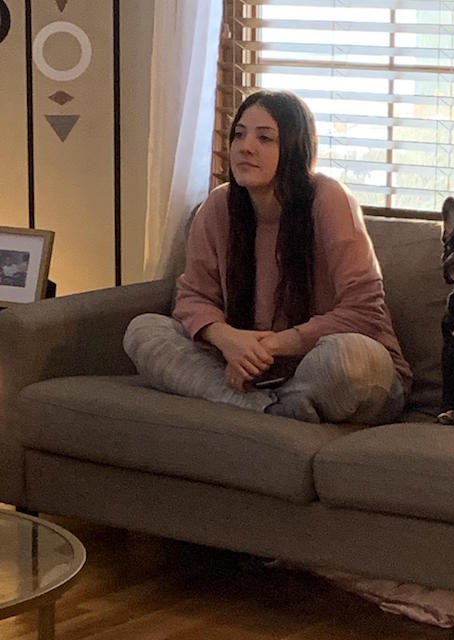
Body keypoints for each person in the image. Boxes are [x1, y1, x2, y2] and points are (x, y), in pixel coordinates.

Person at [123, 89, 412, 423]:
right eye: (239, 135)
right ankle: (274, 409)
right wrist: (227, 339)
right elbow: (191, 298)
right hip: (254, 372)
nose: (246, 147)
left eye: (265, 138)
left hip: (328, 369)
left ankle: (253, 403)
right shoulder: (218, 206)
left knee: (347, 360)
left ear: (293, 147)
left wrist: (270, 346)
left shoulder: (329, 199)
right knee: (143, 331)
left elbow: (363, 312)